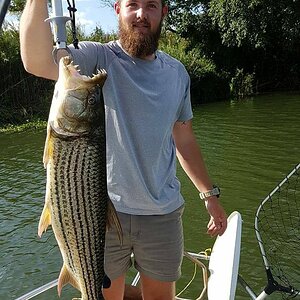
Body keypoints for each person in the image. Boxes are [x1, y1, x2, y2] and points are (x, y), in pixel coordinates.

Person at [19, 0, 228, 299]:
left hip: (162, 213)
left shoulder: (177, 73)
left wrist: (209, 196)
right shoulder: (97, 57)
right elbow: (36, 60)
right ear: (117, 9)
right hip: (98, 213)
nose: (142, 14)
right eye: (133, 4)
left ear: (163, 12)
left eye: (151, 5)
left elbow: (184, 139)